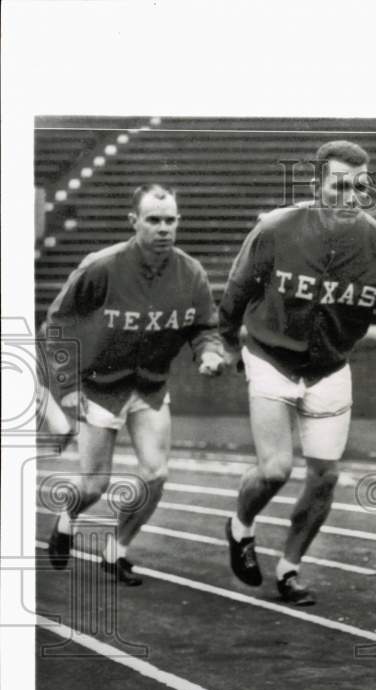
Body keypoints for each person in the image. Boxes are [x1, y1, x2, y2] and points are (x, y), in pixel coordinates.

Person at [218, 140, 376, 606]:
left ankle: (289, 568)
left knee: (325, 476)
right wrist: (226, 343)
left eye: (359, 188)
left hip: (329, 366)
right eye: (338, 186)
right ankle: (240, 526)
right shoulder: (276, 228)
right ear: (316, 186)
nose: (349, 197)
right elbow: (237, 291)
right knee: (276, 469)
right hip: (271, 355)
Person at [44, 184, 228, 585]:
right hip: (98, 384)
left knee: (156, 473)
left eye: (170, 220)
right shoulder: (101, 266)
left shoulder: (190, 272)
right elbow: (57, 324)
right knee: (95, 485)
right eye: (154, 220)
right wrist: (66, 385)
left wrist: (209, 353)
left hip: (149, 386)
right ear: (134, 222)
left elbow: (204, 328)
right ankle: (66, 518)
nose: (164, 228)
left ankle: (117, 549)